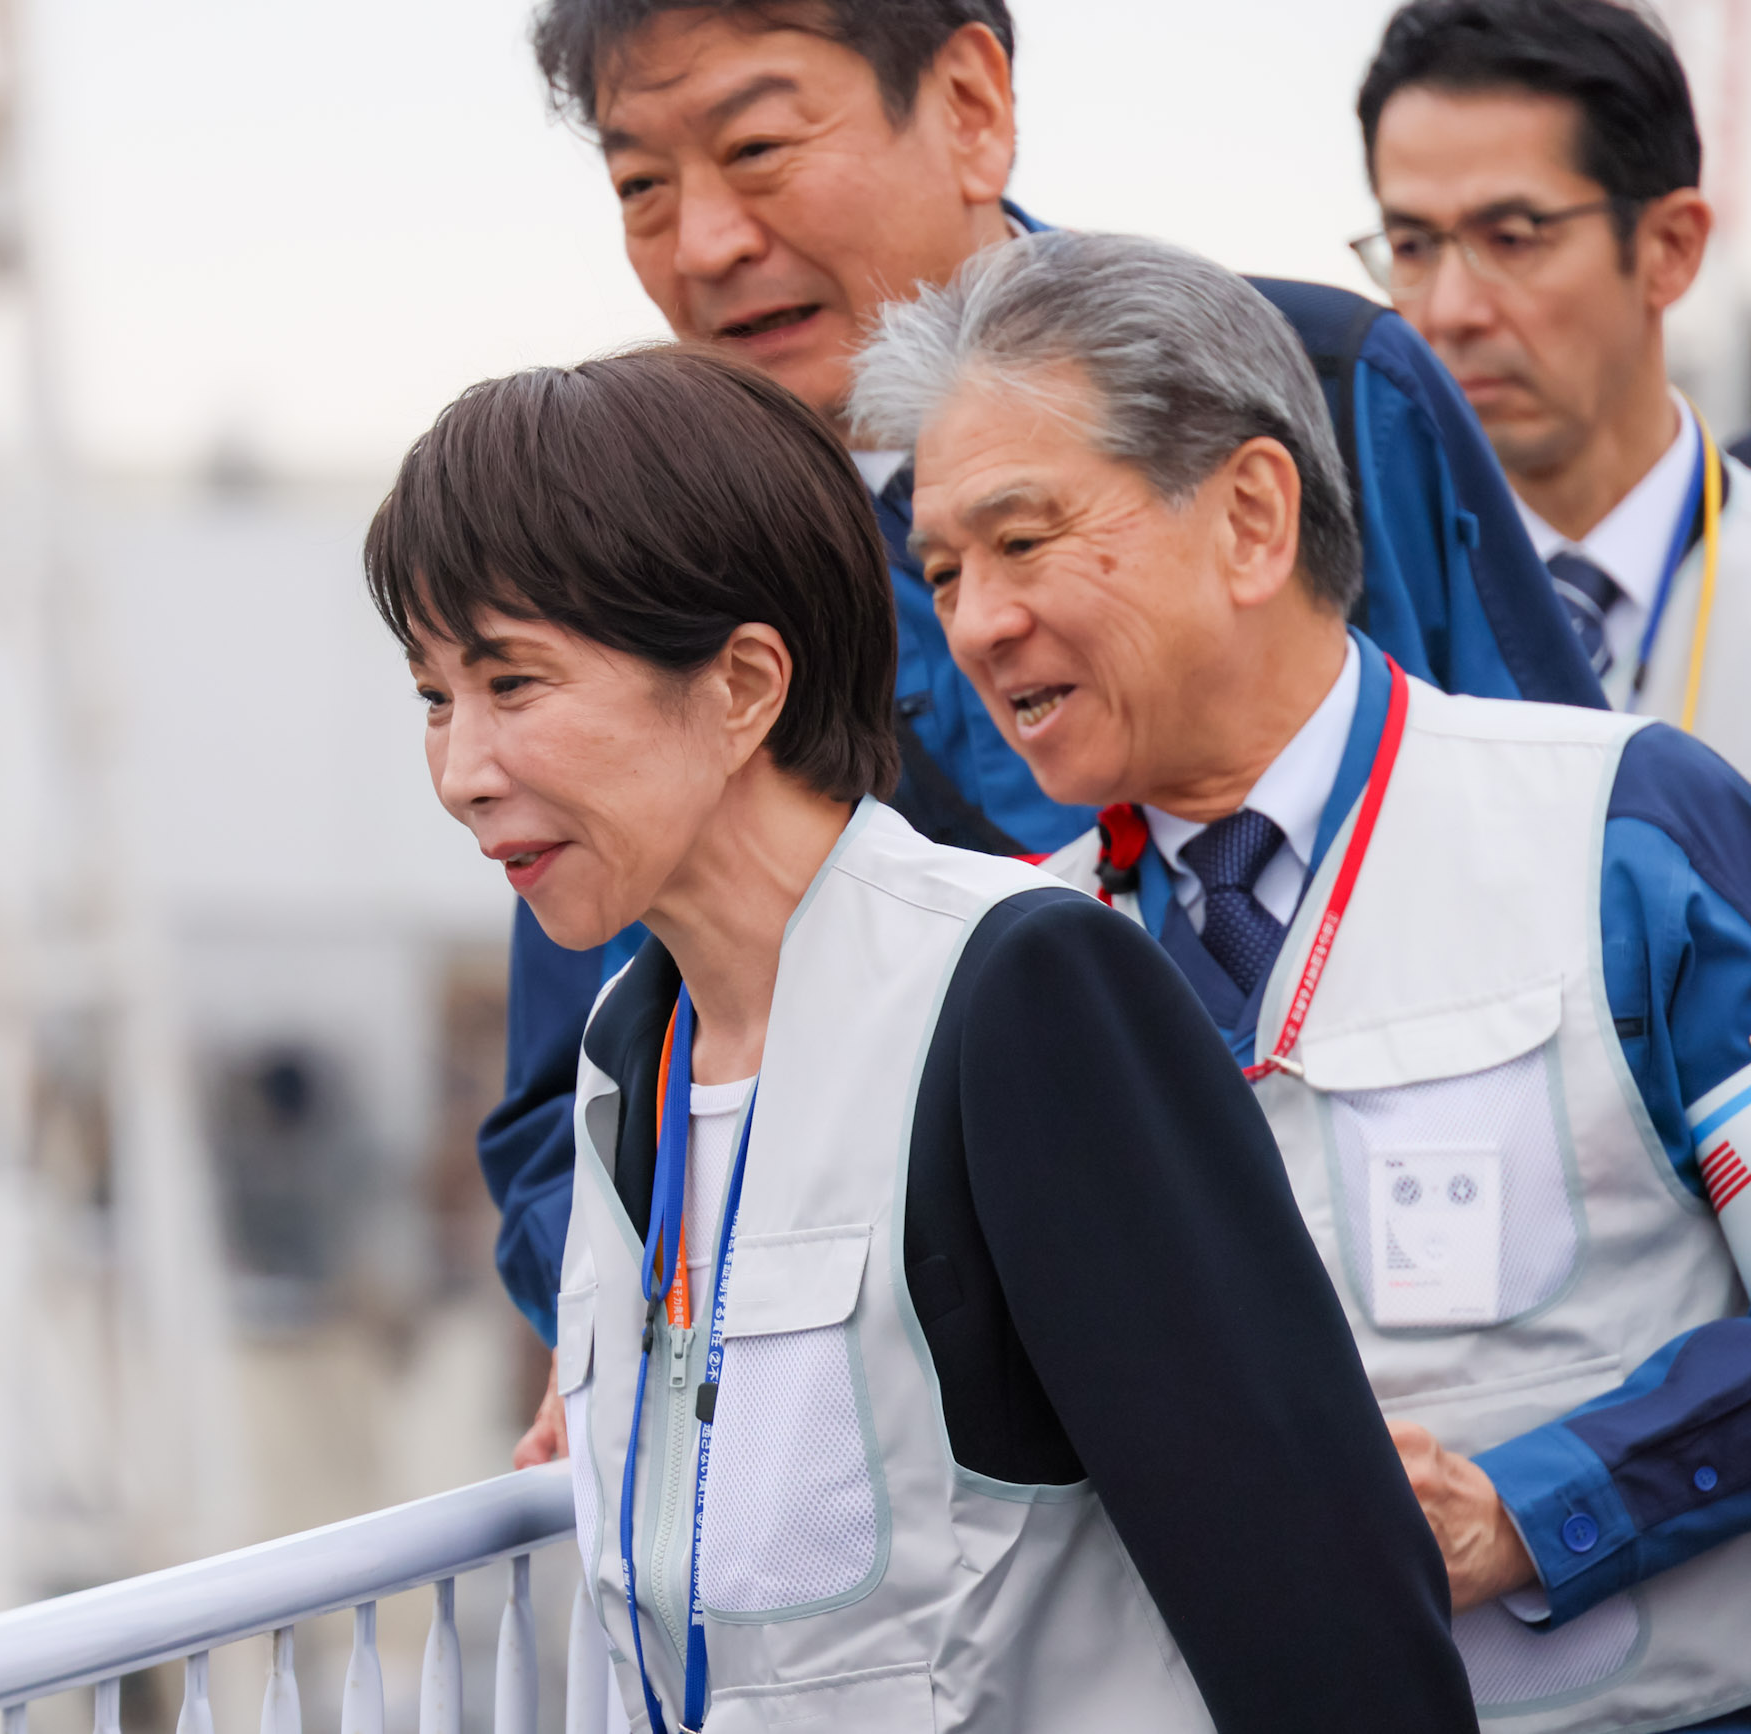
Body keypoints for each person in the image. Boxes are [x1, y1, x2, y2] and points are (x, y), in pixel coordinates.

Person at [483, 0, 1601, 1407]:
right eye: (641, 183)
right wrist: (647, 1311)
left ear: (969, 101)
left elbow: (1575, 866)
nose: (702, 242)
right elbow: (559, 1130)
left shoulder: (1315, 387)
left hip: (1487, 1385)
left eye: (757, 146)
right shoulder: (645, 568)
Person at [366, 343, 1475, 1734]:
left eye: (512, 683)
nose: (463, 770)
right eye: (431, 696)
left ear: (743, 686)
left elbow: (1330, 1624)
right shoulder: (625, 1048)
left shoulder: (1016, 988)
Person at [858, 227, 1751, 1733]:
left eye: (1023, 540)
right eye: (943, 571)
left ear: (1255, 516)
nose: (975, 622)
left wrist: (1541, 1507)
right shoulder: (1010, 965)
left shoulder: (1613, 825)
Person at [1358, 0, 1751, 768]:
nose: (1448, 311)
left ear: (1671, 247)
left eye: (1511, 239)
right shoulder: (1334, 629)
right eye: (1411, 245)